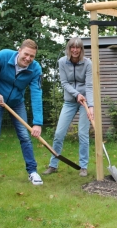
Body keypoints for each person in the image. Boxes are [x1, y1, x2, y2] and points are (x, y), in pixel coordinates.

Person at [0, 39, 44, 187]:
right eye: (26, 54)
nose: (28, 59)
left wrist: (37, 123)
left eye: (32, 56)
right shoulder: (3, 56)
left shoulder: (35, 69)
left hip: (17, 103)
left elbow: (36, 94)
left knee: (24, 136)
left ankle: (32, 171)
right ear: (19, 50)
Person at [43, 37, 94, 177]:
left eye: (78, 47)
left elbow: (89, 86)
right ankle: (53, 164)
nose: (75, 50)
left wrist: (91, 106)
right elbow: (64, 83)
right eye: (73, 47)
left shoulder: (88, 63)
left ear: (81, 49)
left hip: (84, 102)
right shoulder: (62, 62)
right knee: (59, 133)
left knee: (83, 134)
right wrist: (76, 94)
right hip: (70, 101)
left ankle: (83, 166)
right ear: (69, 48)